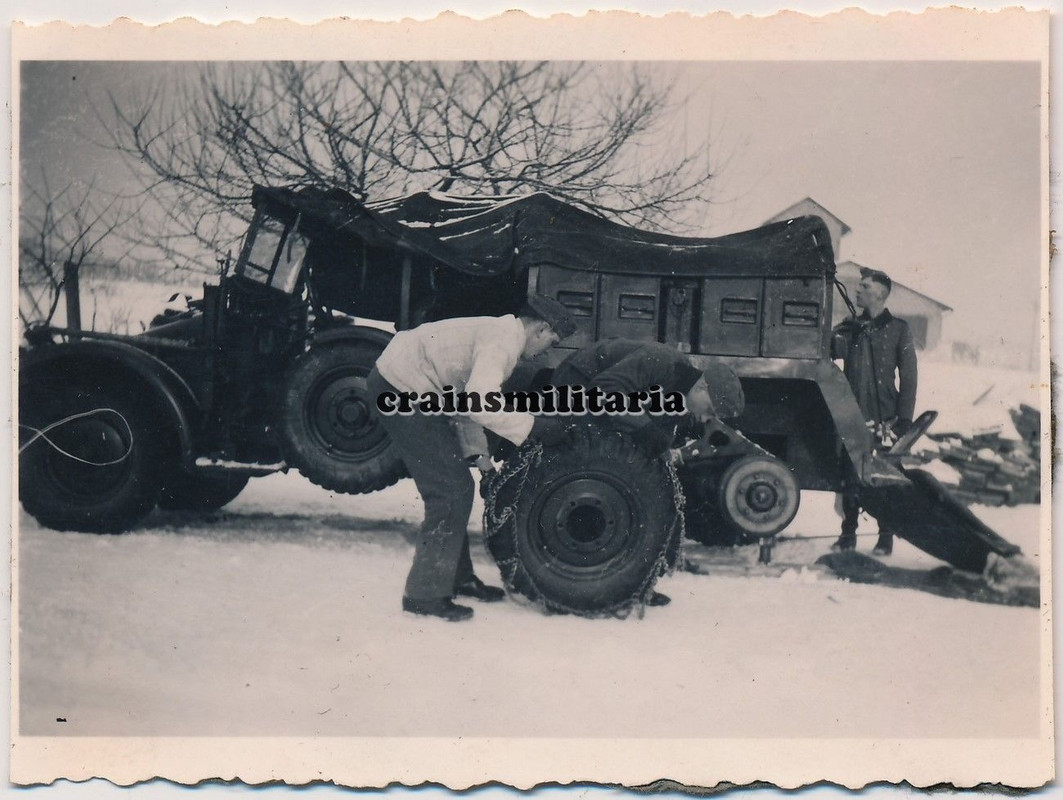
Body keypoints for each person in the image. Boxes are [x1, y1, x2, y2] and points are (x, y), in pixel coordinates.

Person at [368, 296, 576, 622]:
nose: (547, 351)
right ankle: (424, 595)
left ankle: (456, 578)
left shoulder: (500, 336)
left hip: (413, 385)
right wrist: (534, 427)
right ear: (541, 328)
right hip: (400, 387)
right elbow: (479, 405)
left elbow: (466, 405)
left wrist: (484, 466)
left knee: (456, 488)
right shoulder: (502, 342)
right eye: (552, 341)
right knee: (450, 491)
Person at [550, 338, 746, 605]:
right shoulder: (662, 362)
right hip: (576, 384)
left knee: (647, 486)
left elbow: (658, 440)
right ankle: (580, 581)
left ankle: (632, 581)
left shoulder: (681, 389)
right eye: (710, 410)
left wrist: (662, 447)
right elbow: (603, 389)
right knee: (602, 476)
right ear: (701, 387)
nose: (705, 419)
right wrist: (644, 428)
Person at [831, 268, 918, 555]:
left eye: (864, 286)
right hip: (852, 414)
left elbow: (909, 377)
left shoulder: (899, 330)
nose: (857, 290)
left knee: (883, 479)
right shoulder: (849, 327)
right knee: (850, 475)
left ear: (879, 294)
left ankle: (885, 538)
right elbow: (828, 349)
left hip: (886, 418)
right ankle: (847, 536)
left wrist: (904, 418)